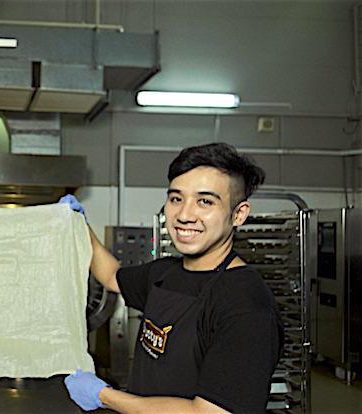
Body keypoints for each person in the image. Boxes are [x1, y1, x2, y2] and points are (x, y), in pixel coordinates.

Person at [61, 143, 283, 413]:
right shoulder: (164, 273)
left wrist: (103, 396)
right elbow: (110, 276)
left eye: (205, 201)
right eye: (177, 199)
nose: (184, 216)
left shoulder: (246, 305)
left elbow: (209, 412)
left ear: (238, 214)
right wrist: (79, 226)